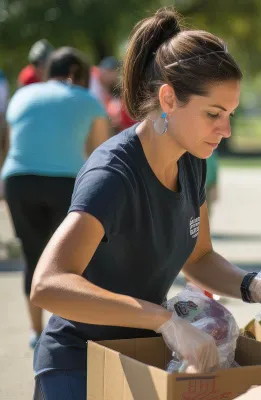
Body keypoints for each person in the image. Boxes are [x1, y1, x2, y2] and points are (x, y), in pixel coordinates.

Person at [30, 8, 261, 400]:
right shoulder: (113, 176)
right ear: (168, 98)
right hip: (78, 367)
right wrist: (164, 320)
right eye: (213, 114)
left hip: (141, 357)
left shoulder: (191, 164)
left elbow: (199, 257)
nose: (226, 130)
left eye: (231, 114)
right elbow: (48, 285)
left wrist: (256, 286)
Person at [2, 47, 110, 350]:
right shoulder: (88, 100)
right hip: (66, 182)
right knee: (73, 259)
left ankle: (36, 332)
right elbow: (100, 153)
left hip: (18, 181)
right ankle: (68, 331)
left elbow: (11, 144)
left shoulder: (22, 95)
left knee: (32, 255)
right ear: (76, 72)